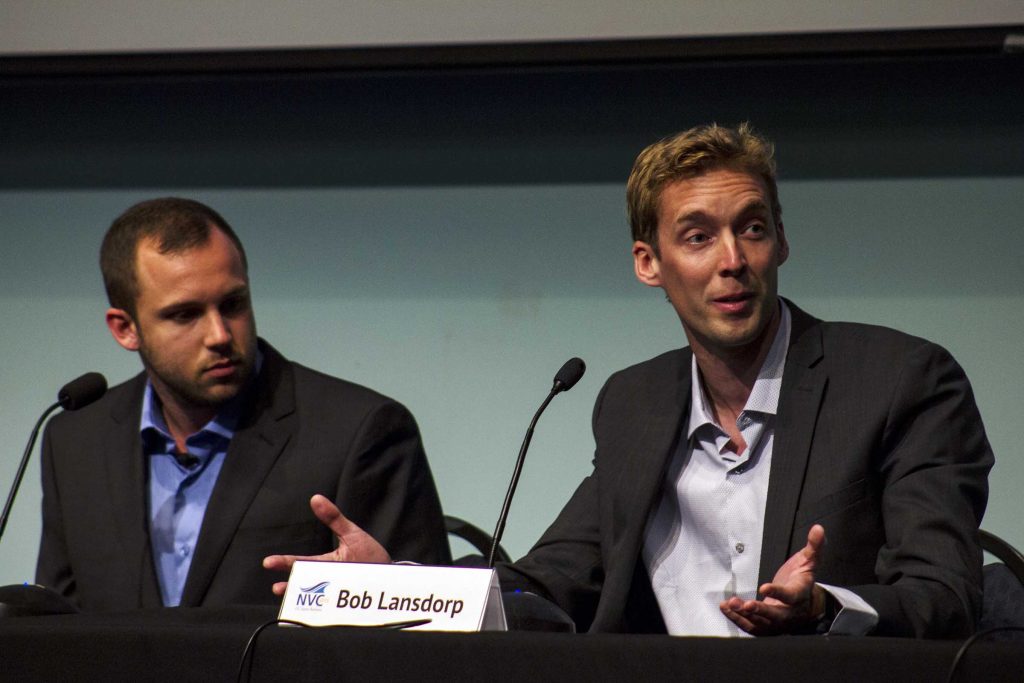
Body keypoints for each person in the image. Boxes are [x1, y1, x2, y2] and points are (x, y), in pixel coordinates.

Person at [274, 123, 993, 638]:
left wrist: (825, 608)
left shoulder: (900, 380)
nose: (732, 259)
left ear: (781, 241)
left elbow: (947, 594)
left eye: (751, 228)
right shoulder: (635, 402)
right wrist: (401, 585)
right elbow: (552, 581)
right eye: (698, 235)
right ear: (649, 263)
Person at [36, 197, 451, 612]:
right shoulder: (74, 441)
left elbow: (429, 630)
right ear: (126, 329)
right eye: (185, 314)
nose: (219, 334)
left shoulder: (359, 431)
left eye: (233, 305)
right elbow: (55, 626)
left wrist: (388, 589)